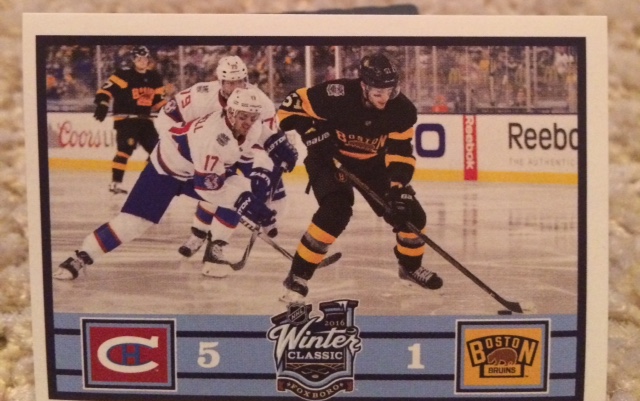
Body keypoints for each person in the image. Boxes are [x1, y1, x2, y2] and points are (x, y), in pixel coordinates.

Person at [53, 87, 277, 280]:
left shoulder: (250, 127)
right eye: (243, 117)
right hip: (166, 171)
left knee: (241, 188)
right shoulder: (212, 137)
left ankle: (214, 252)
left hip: (195, 168)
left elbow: (261, 139)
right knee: (134, 223)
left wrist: (277, 143)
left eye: (252, 117)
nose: (248, 123)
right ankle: (81, 257)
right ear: (231, 112)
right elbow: (207, 188)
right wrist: (246, 203)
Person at [276, 53, 443, 303]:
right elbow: (288, 108)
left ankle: (409, 267)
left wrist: (397, 188)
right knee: (336, 211)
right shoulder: (336, 95)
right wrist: (310, 133)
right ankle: (297, 276)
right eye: (378, 92)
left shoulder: (402, 110)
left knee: (412, 215)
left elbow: (400, 151)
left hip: (372, 164)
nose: (384, 98)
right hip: (329, 158)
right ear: (364, 86)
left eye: (390, 91)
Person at [155, 55, 297, 259]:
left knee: (250, 197)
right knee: (217, 191)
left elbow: (267, 140)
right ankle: (199, 234)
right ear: (220, 81)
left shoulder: (260, 102)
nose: (235, 86)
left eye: (239, 81)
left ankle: (218, 243)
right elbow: (170, 116)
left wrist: (262, 169)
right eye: (230, 82)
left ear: (246, 79)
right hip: (217, 152)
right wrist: (177, 148)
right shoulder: (203, 95)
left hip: (248, 154)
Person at [93, 45, 166, 194]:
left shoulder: (154, 77)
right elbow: (105, 90)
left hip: (145, 121)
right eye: (139, 58)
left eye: (145, 58)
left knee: (158, 151)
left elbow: (158, 102)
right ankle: (115, 183)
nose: (142, 61)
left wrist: (170, 113)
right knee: (124, 151)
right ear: (133, 60)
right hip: (126, 121)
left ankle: (147, 181)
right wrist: (103, 104)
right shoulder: (123, 74)